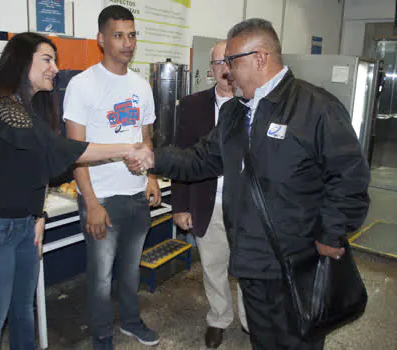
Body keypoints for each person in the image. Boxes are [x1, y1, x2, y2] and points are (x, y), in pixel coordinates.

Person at [127, 18, 370, 350]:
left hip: (297, 263)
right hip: (251, 261)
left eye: (231, 61)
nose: (226, 71)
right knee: (263, 340)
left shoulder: (315, 108)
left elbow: (350, 176)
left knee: (297, 342)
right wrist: (154, 158)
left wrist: (331, 233)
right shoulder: (235, 114)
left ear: (260, 58)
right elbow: (201, 159)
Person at [0, 32, 153, 350]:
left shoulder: (26, 109)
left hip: (24, 225)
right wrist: (126, 148)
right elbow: (59, 149)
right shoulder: (3, 109)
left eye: (56, 61)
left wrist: (38, 214)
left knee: (23, 309)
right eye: (47, 60)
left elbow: (33, 171)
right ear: (22, 62)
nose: (55, 68)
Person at [63, 5, 160, 350]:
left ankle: (132, 322)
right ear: (101, 40)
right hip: (101, 197)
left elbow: (146, 137)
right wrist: (90, 202)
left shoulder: (141, 86)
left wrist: (149, 177)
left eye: (132, 35)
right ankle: (102, 335)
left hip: (136, 194)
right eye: (118, 35)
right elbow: (74, 151)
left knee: (131, 270)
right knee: (101, 278)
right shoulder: (82, 85)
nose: (127, 43)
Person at [171, 40, 248, 349]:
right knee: (213, 266)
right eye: (218, 63)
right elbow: (181, 158)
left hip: (247, 207)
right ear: (211, 69)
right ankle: (219, 318)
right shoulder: (192, 105)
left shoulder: (255, 103)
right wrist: (180, 205)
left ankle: (250, 321)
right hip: (208, 202)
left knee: (249, 269)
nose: (224, 70)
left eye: (229, 62)